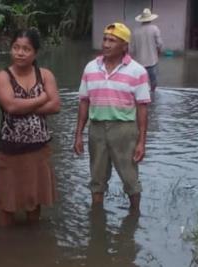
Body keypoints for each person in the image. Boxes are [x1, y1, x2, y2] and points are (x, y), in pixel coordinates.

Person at [73, 22, 151, 213]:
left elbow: (142, 108)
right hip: (97, 128)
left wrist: (142, 141)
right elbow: (84, 102)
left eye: (112, 41)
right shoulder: (91, 68)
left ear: (124, 46)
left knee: (130, 178)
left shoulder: (137, 71)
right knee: (97, 178)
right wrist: (78, 135)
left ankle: (135, 215)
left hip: (124, 130)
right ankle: (97, 216)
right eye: (105, 39)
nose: (106, 44)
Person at [0, 29, 60, 226]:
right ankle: (7, 248)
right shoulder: (3, 77)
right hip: (10, 148)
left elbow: (55, 105)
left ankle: (33, 245)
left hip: (39, 148)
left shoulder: (45, 74)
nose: (20, 53)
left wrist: (24, 106)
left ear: (35, 53)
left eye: (26, 49)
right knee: (7, 202)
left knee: (35, 200)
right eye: (16, 47)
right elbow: (11, 106)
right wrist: (41, 98)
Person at [130, 8, 163, 91]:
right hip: (152, 61)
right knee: (153, 83)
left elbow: (131, 49)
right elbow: (159, 44)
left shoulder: (136, 31)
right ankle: (153, 98)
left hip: (139, 63)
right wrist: (158, 53)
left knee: (140, 84)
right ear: (150, 18)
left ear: (141, 19)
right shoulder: (154, 29)